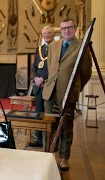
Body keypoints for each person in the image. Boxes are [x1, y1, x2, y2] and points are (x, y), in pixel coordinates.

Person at [42, 18, 92, 170]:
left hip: (67, 94)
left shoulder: (81, 47)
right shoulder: (54, 45)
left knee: (66, 127)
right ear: (60, 31)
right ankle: (49, 154)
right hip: (50, 92)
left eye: (69, 28)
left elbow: (86, 73)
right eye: (63, 28)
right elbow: (52, 68)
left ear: (75, 28)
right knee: (49, 125)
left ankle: (64, 157)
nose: (66, 31)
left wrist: (76, 88)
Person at [30, 26, 55, 148]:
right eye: (44, 33)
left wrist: (43, 78)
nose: (47, 35)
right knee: (38, 112)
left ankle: (50, 139)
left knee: (49, 113)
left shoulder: (57, 48)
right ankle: (38, 138)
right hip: (38, 86)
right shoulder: (39, 49)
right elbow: (34, 67)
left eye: (49, 33)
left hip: (50, 85)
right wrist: (35, 78)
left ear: (53, 33)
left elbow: (55, 68)